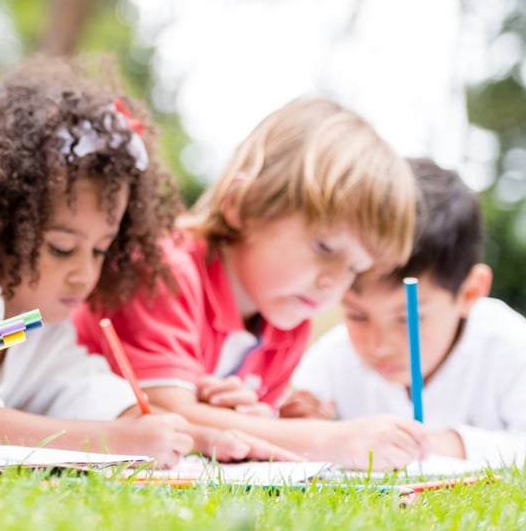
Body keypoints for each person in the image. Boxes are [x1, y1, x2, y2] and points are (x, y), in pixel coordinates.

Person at [0, 57, 294, 468]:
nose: (85, 274)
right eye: (62, 248)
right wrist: (116, 441)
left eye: (100, 250)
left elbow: (93, 395)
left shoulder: (42, 327)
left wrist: (195, 434)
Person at [73, 96, 432, 470]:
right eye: (324, 247)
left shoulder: (288, 321)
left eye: (356, 268)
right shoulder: (164, 271)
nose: (334, 282)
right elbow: (168, 415)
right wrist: (328, 440)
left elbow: (232, 430)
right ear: (243, 203)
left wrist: (264, 418)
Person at [283, 158, 526, 465]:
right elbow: (286, 425)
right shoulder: (334, 358)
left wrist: (441, 445)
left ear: (469, 293)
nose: (379, 345)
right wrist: (300, 422)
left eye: (407, 318)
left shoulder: (511, 348)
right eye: (357, 315)